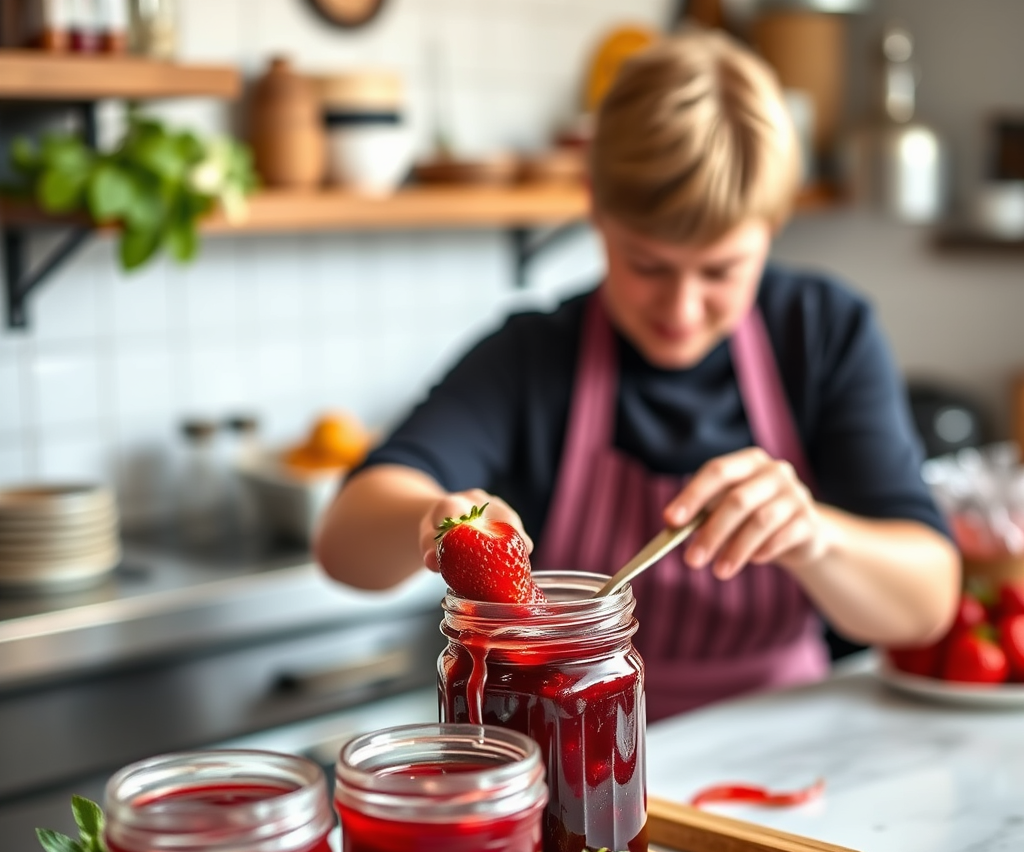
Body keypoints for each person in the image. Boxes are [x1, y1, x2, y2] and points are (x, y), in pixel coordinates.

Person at [315, 30, 959, 721]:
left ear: (774, 226)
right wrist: (429, 519)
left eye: (720, 271)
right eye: (647, 265)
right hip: (579, 756)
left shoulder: (823, 333)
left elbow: (925, 604)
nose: (681, 308)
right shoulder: (534, 357)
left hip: (788, 752)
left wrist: (814, 535)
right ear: (596, 206)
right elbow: (344, 543)